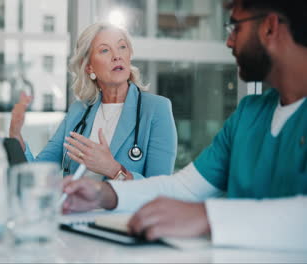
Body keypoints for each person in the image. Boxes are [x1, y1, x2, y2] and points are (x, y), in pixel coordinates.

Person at [62, 0, 307, 251]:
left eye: (235, 28)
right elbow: (183, 187)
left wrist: (206, 217)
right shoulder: (249, 114)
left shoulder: (155, 108)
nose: (229, 42)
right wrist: (103, 194)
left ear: (270, 27)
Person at [10, 22, 177, 181]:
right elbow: (37, 174)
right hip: (76, 210)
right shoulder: (78, 111)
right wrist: (16, 137)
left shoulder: (156, 109)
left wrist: (113, 169)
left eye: (122, 47)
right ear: (89, 67)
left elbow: (160, 189)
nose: (117, 56)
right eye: (105, 50)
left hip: (125, 212)